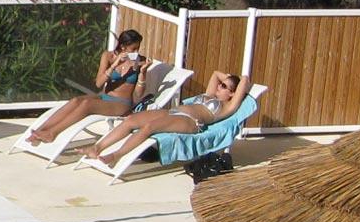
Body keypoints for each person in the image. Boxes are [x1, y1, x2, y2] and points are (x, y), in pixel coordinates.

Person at [80, 71, 253, 165]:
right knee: (131, 120)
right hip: (173, 112)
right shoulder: (209, 96)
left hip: (190, 122)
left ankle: (116, 155)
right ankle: (97, 148)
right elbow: (215, 73)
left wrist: (233, 82)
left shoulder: (227, 107)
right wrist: (226, 79)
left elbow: (244, 80)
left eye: (224, 87)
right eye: (221, 85)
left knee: (148, 128)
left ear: (232, 93)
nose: (219, 86)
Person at [23, 30, 151, 145]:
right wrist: (115, 64)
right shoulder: (108, 56)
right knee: (75, 101)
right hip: (104, 96)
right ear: (123, 46)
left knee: (86, 105)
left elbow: (138, 94)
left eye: (138, 49)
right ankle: (40, 130)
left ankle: (52, 133)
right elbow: (99, 83)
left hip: (121, 103)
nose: (136, 52)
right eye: (133, 49)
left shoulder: (140, 62)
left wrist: (143, 72)